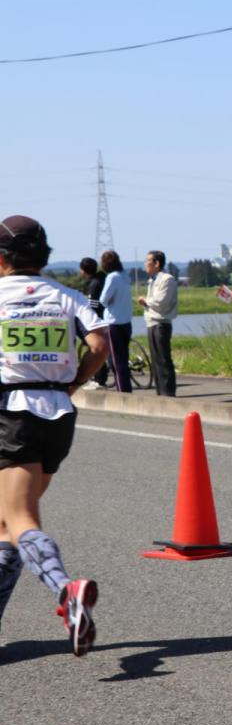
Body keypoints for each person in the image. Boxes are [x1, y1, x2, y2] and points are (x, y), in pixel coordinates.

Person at [0, 215, 109, 655]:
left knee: (20, 517)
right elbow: (101, 344)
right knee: (6, 524)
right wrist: (76, 380)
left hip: (13, 414)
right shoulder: (68, 296)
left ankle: (67, 592)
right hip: (59, 414)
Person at [139, 250, 177, 397]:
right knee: (155, 361)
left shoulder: (167, 279)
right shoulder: (153, 279)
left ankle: (168, 392)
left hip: (161, 322)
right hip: (152, 322)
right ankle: (160, 391)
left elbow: (161, 301)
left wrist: (145, 301)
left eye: (148, 260)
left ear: (157, 263)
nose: (145, 263)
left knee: (163, 358)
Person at [98, 250, 133, 392]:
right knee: (123, 358)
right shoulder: (125, 276)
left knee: (116, 360)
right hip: (126, 321)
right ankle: (126, 387)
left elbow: (103, 299)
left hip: (113, 322)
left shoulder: (112, 277)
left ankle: (122, 391)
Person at [79, 257, 109, 388]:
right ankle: (101, 377)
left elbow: (93, 305)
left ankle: (99, 380)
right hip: (108, 318)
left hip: (99, 320)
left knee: (96, 349)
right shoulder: (102, 278)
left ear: (83, 270)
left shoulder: (94, 283)